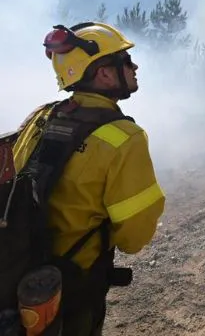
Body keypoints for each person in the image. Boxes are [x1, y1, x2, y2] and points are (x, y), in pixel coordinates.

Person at [4, 22, 165, 335]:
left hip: (16, 272)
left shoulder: (42, 116)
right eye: (125, 61)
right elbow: (134, 238)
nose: (134, 66)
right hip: (73, 288)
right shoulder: (124, 138)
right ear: (104, 73)